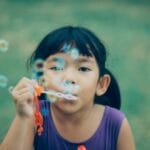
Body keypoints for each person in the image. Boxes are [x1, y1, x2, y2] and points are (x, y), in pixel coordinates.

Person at [0, 26, 135, 150]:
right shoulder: (34, 116)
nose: (69, 78)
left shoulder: (116, 124)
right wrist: (23, 116)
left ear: (101, 85)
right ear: (40, 82)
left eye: (83, 68)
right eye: (57, 68)